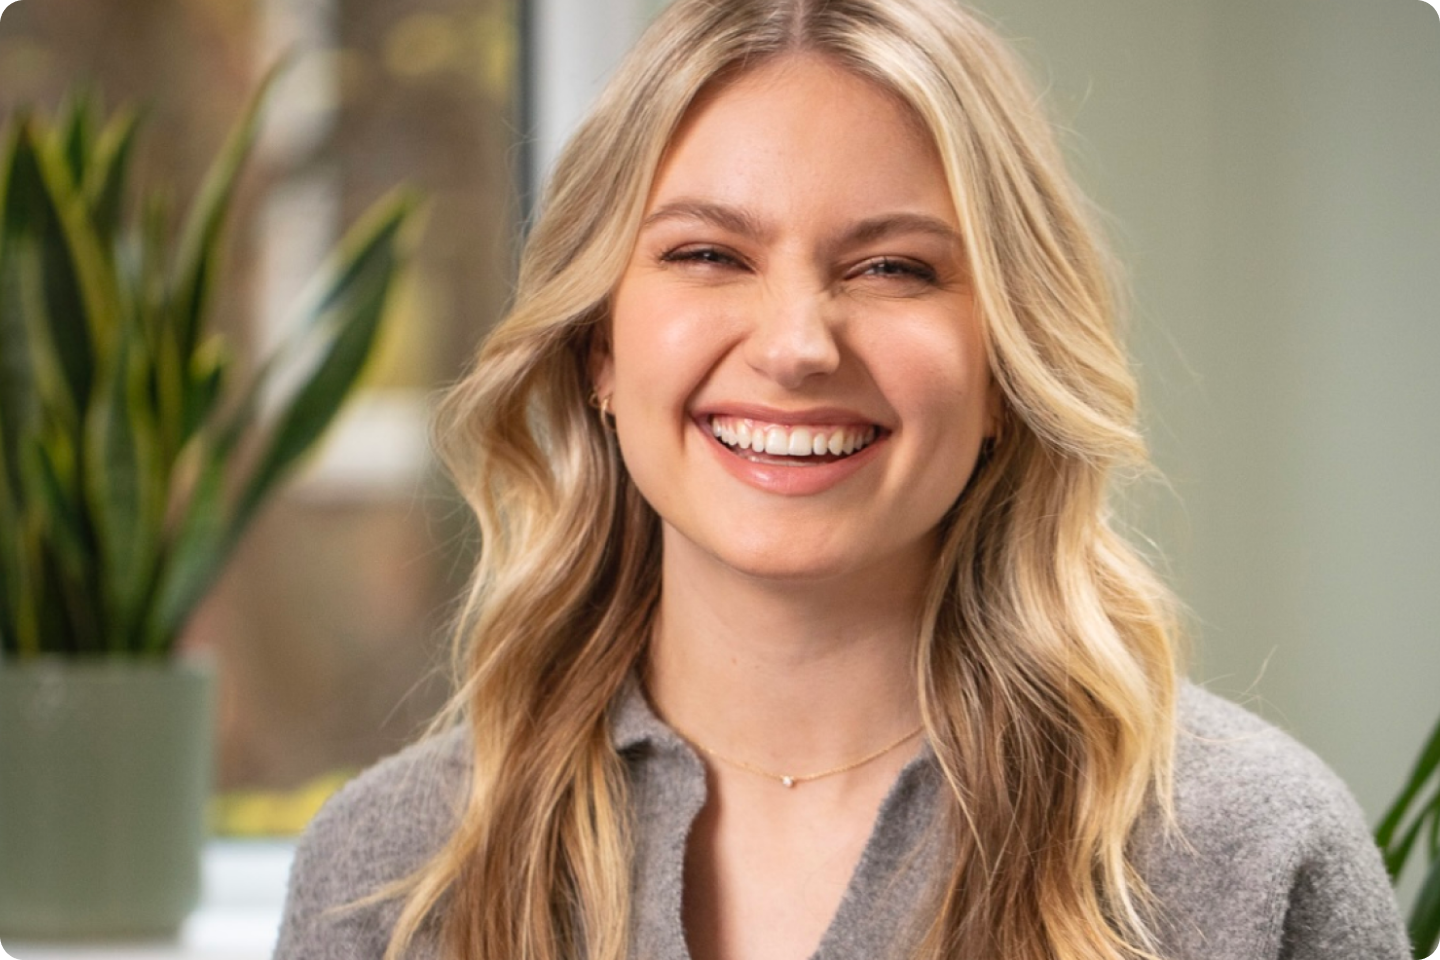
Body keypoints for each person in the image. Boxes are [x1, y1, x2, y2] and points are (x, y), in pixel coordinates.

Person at [273, 1, 1409, 958]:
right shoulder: (386, 874)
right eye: (709, 253)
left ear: (1006, 373)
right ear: (600, 350)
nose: (798, 346)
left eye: (892, 268)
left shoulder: (1249, 858)